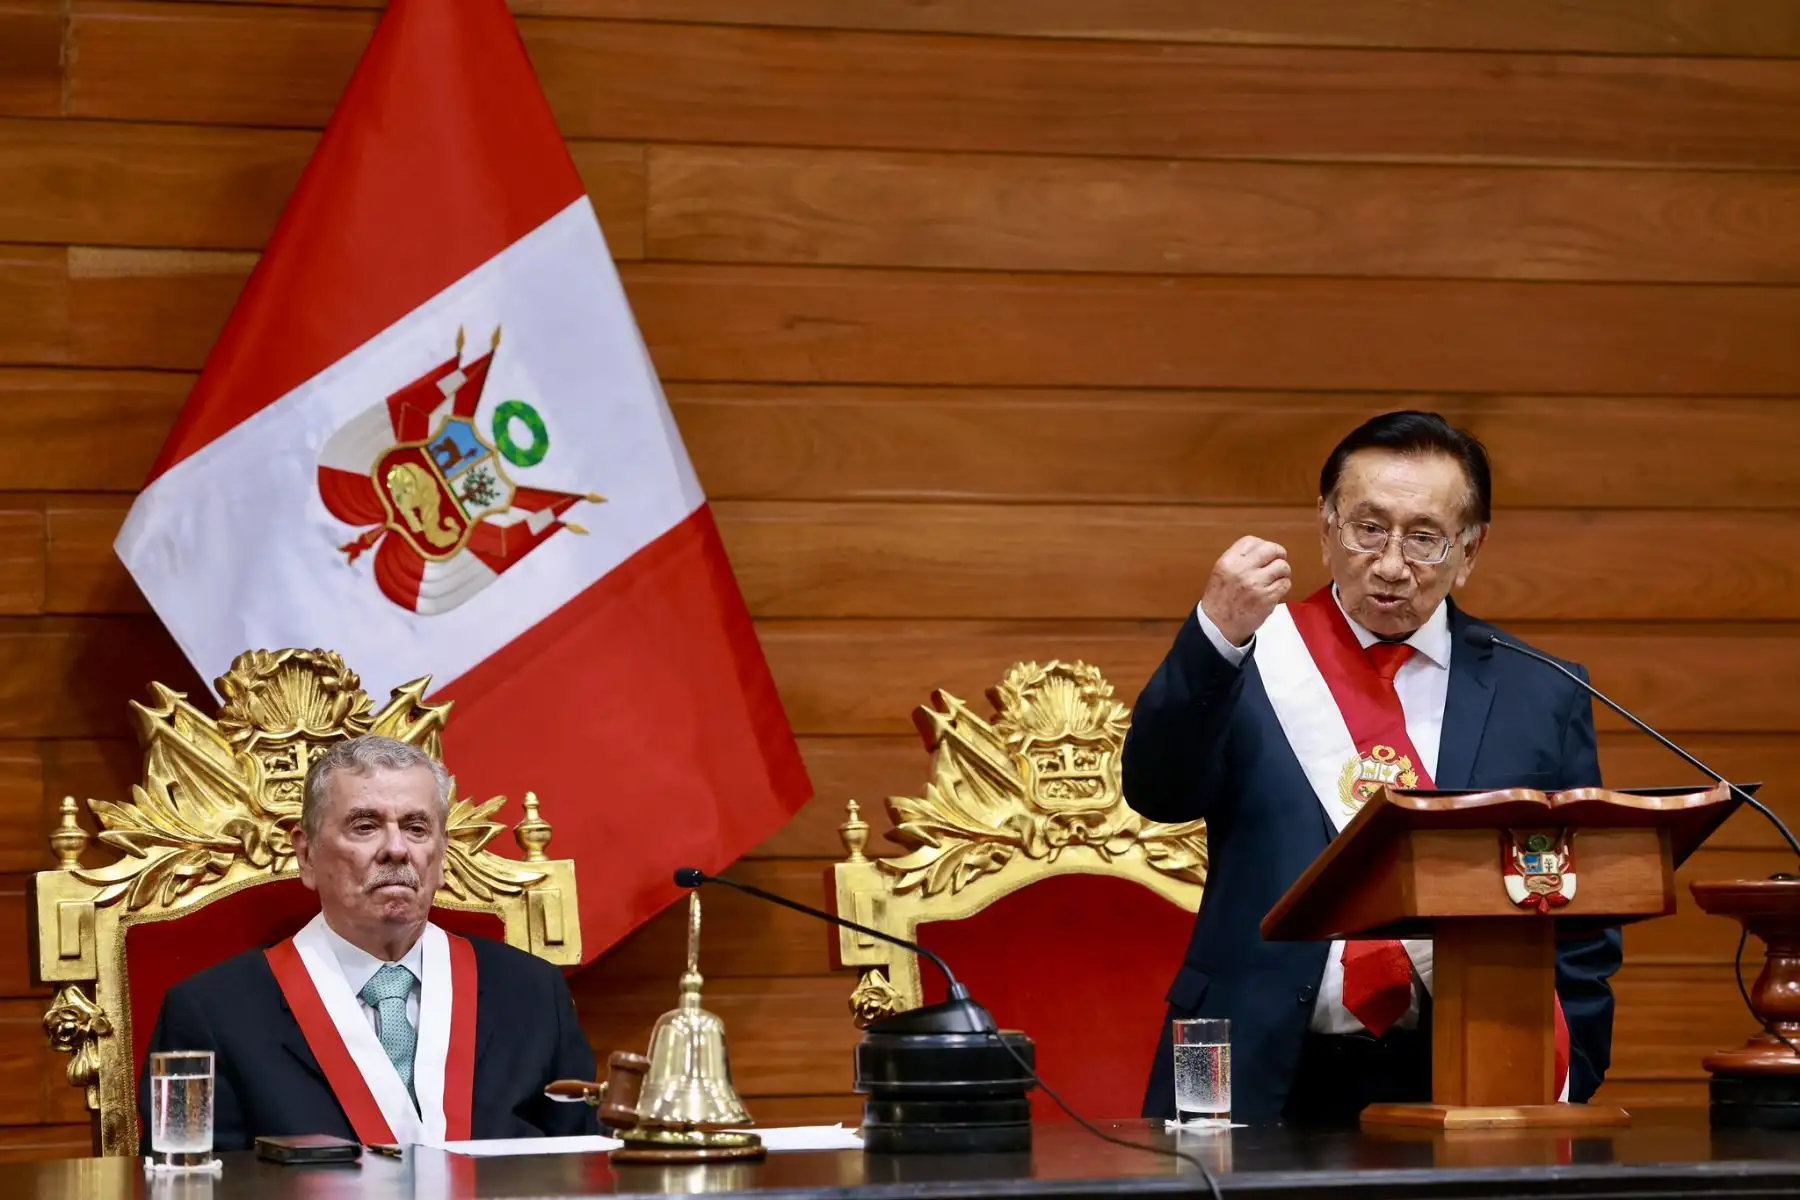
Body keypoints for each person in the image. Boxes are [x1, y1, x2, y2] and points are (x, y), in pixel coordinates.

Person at [1123, 411, 1621, 1126]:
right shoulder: (1250, 657)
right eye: (1367, 529)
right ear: (1326, 530)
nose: (1391, 564)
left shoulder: (1539, 691)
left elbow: (1583, 911)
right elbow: (1157, 793)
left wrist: (1576, 1059)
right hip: (1249, 1058)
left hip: (1466, 1071)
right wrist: (1212, 635)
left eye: (1424, 537)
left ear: (1470, 551)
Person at [137, 736, 597, 1150]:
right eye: (365, 826)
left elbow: (584, 1165)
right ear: (306, 854)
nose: (396, 849)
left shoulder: (534, 994)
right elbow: (185, 1186)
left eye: (417, 828)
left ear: (441, 857)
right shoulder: (210, 1014)